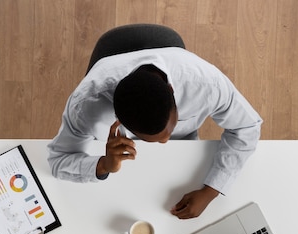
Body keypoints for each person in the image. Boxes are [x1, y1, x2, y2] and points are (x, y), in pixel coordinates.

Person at [47, 47, 262, 219]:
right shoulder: (86, 105)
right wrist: (103, 164)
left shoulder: (205, 84)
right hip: (120, 174)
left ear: (171, 91)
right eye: (154, 139)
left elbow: (248, 126)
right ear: (119, 120)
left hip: (183, 155)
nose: (166, 141)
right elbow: (57, 162)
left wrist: (212, 190)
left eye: (168, 132)